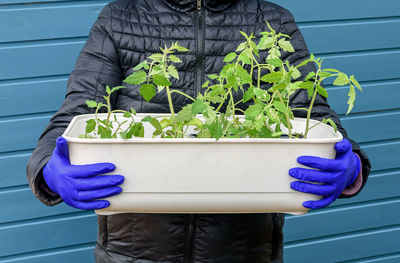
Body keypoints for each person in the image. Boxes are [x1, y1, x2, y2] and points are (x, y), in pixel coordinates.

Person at [27, 0, 371, 262]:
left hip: (245, 250)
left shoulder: (271, 20)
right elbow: (76, 113)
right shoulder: (122, 17)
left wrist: (349, 163)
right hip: (133, 251)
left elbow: (313, 114)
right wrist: (49, 169)